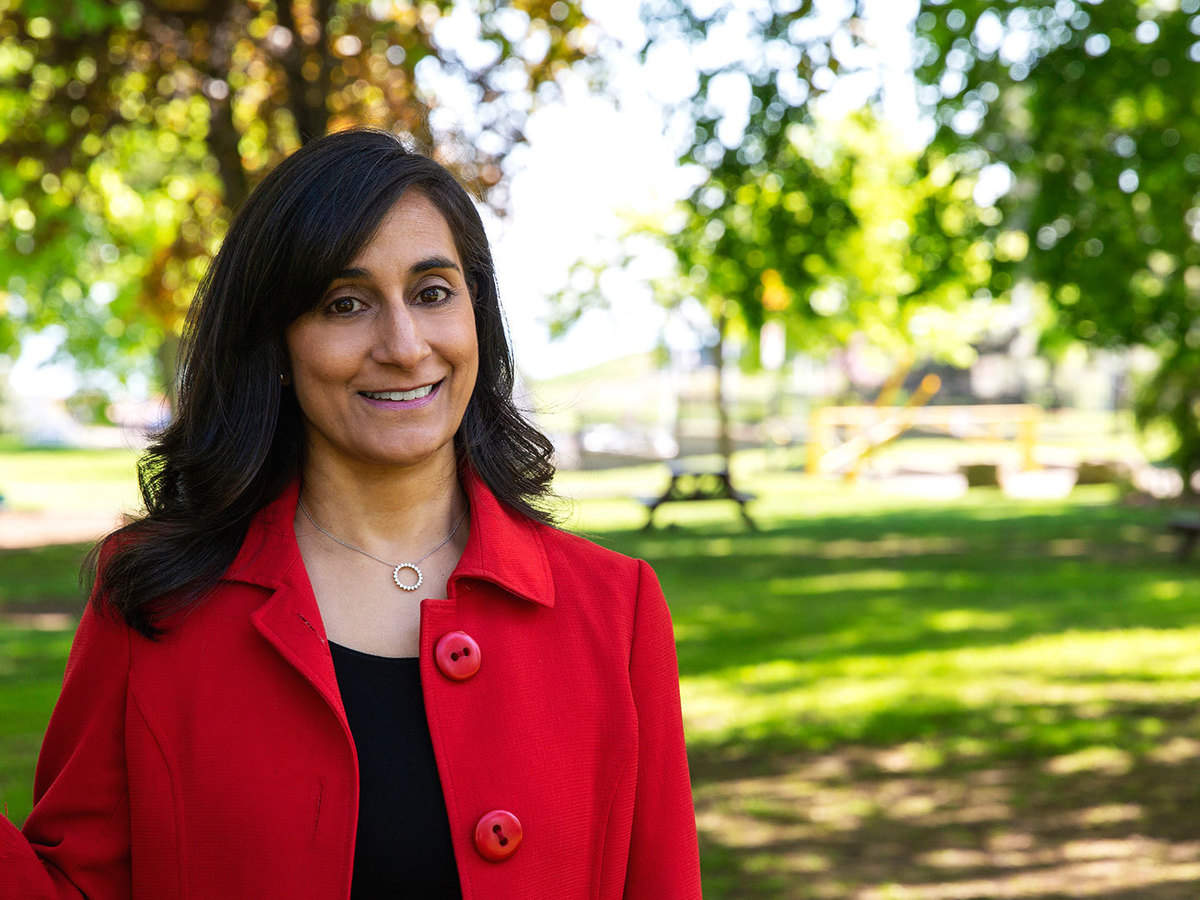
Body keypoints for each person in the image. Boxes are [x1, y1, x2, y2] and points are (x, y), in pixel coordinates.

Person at [0, 128, 701, 899]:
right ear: (274, 344)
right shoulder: (153, 602)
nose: (403, 346)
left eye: (433, 293)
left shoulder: (616, 609)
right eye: (345, 304)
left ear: (478, 317)